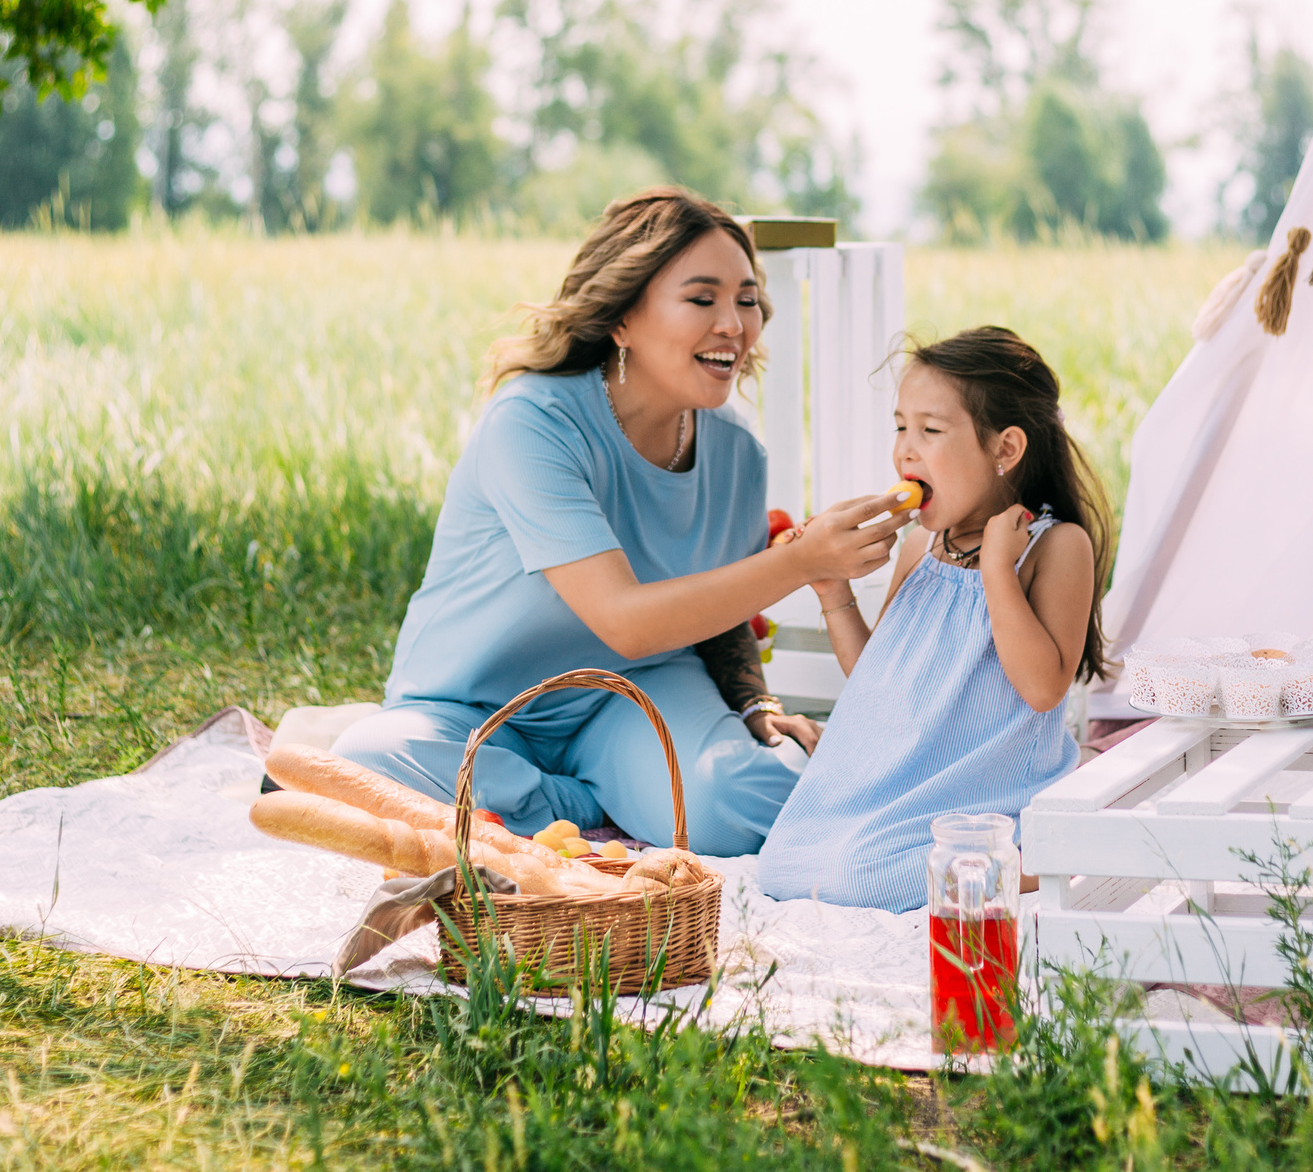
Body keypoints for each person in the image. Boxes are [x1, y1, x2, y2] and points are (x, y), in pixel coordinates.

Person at [326, 188, 912, 856]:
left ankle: (557, 807)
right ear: (624, 316)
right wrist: (805, 561)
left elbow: (720, 609)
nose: (735, 324)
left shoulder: (737, 451)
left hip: (634, 697)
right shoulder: (533, 423)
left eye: (747, 299)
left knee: (743, 803)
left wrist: (756, 707)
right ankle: (595, 801)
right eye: (702, 298)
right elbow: (624, 618)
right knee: (361, 764)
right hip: (475, 708)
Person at [755, 326, 1113, 910]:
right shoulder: (921, 547)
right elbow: (880, 680)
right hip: (904, 783)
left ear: (1005, 450)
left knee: (851, 880)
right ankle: (978, 866)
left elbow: (1044, 688)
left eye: (930, 430)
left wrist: (998, 571)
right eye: (901, 426)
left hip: (988, 794)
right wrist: (831, 590)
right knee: (786, 863)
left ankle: (1026, 857)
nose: (905, 450)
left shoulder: (1056, 546)